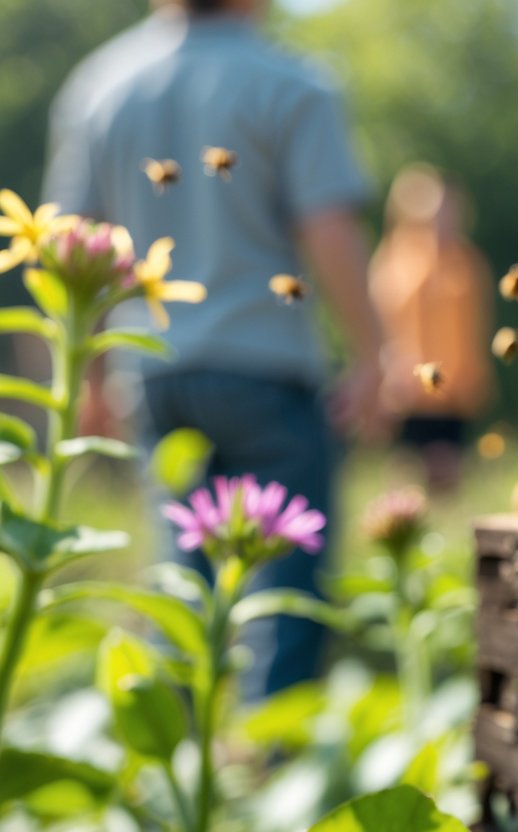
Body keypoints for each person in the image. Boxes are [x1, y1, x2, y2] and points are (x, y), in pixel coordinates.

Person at [42, 0, 391, 698]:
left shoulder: (101, 83)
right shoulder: (292, 82)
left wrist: (87, 381)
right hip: (268, 370)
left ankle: (176, 772)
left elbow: (71, 241)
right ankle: (272, 780)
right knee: (286, 601)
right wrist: (371, 356)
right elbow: (329, 229)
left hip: (155, 372)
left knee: (177, 588)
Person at [370, 165, 495, 493]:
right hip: (408, 391)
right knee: (406, 480)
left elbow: (475, 324)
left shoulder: (466, 262)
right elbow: (386, 322)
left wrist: (475, 373)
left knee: (448, 478)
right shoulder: (396, 260)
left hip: (451, 390)